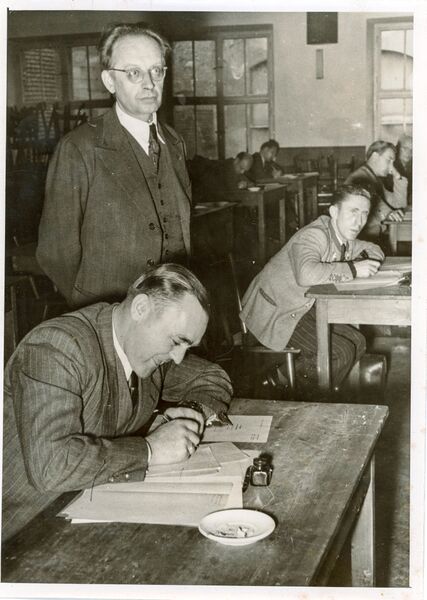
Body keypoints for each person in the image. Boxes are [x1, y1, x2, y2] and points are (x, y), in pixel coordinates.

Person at [2, 263, 232, 542]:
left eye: (187, 347)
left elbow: (211, 376)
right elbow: (50, 467)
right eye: (176, 341)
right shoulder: (58, 346)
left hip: (85, 509)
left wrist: (190, 413)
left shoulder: (146, 351)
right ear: (140, 309)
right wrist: (151, 449)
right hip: (19, 528)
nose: (179, 357)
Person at [37, 23, 192, 308]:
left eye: (156, 71)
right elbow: (55, 252)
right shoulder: (79, 148)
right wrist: (94, 309)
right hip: (108, 312)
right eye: (134, 73)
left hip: (170, 309)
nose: (149, 83)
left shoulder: (174, 142)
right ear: (109, 81)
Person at [239, 185, 385, 392]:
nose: (359, 221)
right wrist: (353, 269)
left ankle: (294, 382)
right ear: (334, 212)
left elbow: (373, 249)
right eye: (353, 212)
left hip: (301, 307)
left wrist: (363, 260)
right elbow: (306, 274)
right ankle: (285, 387)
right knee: (340, 352)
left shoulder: (343, 236)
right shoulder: (314, 235)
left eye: (364, 214)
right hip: (274, 314)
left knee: (358, 342)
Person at [345, 141, 404, 243]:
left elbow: (399, 203)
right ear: (375, 156)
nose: (391, 168)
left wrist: (397, 176)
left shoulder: (373, 178)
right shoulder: (361, 177)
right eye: (389, 160)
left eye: (393, 163)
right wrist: (387, 214)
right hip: (360, 239)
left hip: (371, 234)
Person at [384, 133, 412, 206]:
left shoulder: (412, 167)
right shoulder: (391, 167)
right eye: (405, 148)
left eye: (412, 150)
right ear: (398, 148)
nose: (409, 153)